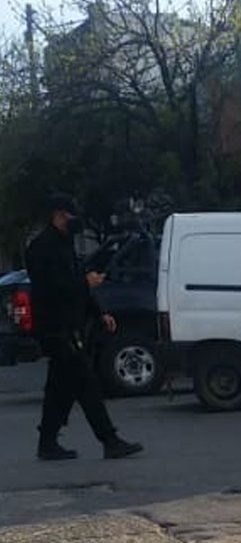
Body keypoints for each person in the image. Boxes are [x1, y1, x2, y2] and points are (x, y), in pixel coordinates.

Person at [25, 194, 143, 461]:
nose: (75, 221)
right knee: (86, 384)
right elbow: (51, 289)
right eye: (71, 215)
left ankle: (48, 442)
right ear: (58, 215)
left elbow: (78, 285)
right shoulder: (42, 249)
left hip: (72, 325)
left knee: (60, 388)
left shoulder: (65, 245)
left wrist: (100, 312)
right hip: (57, 328)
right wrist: (85, 284)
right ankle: (110, 440)